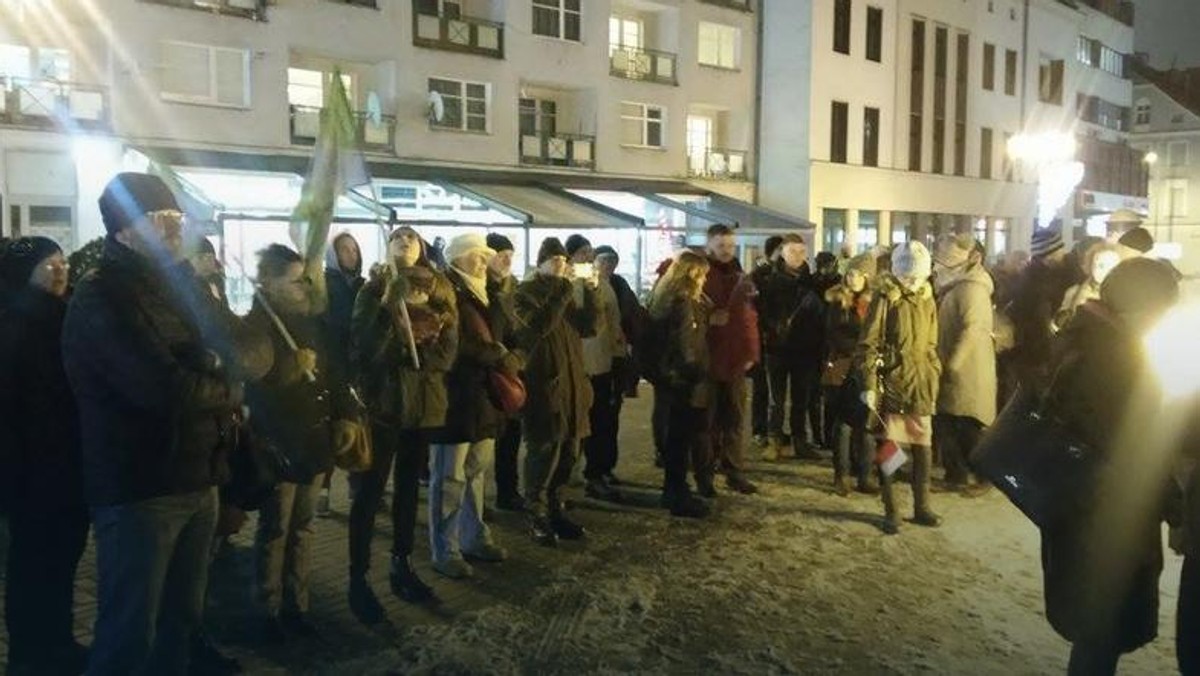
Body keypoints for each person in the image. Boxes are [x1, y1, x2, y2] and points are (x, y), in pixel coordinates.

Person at [62, 173, 254, 674]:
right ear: (126, 230)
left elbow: (242, 351)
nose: (175, 231)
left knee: (182, 622)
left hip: (197, 476)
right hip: (141, 488)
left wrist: (215, 365)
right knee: (129, 632)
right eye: (161, 221)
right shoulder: (101, 297)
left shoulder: (178, 286)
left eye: (177, 220)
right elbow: (166, 391)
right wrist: (225, 384)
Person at [1038, 258, 1179, 676]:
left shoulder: (1091, 339)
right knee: (1101, 633)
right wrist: (1174, 500)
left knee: (1096, 635)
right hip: (1106, 521)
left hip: (1084, 513)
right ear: (1141, 307)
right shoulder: (1113, 359)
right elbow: (1130, 448)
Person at [245, 244, 353, 643]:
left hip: (314, 440)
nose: (302, 287)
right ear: (269, 283)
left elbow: (336, 374)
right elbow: (254, 388)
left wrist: (345, 415)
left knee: (304, 528)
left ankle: (298, 604)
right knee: (275, 530)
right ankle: (267, 609)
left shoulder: (312, 322)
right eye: (293, 280)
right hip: (280, 444)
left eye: (304, 279)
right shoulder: (256, 325)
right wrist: (292, 370)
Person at [349, 226, 457, 622]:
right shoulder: (375, 287)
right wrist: (395, 323)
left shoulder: (440, 287)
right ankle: (358, 578)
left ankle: (402, 562)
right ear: (388, 247)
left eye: (412, 238)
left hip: (424, 404)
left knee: (410, 487)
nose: (406, 243)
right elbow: (363, 344)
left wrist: (424, 352)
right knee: (370, 490)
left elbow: (449, 349)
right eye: (398, 238)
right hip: (386, 404)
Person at [0, 237, 89, 675]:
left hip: (70, 463)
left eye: (61, 261)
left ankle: (58, 641)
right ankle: (30, 653)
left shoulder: (68, 314)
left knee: (63, 558)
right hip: (32, 469)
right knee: (33, 563)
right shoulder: (13, 323)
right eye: (46, 264)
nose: (58, 270)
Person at [426, 234, 514, 579]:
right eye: (476, 256)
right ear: (458, 258)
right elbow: (452, 345)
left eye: (484, 256)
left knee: (476, 472)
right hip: (455, 398)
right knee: (449, 477)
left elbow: (506, 333)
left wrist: (509, 353)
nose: (483, 261)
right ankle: (444, 547)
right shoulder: (446, 292)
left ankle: (474, 535)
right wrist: (498, 355)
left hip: (482, 398)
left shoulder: (487, 292)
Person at [513, 237, 597, 546]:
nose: (562, 267)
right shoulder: (524, 294)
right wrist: (563, 290)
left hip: (573, 386)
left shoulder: (566, 294)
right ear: (540, 263)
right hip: (543, 386)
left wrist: (591, 291)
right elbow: (539, 327)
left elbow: (590, 328)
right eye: (555, 261)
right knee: (542, 453)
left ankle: (556, 510)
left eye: (565, 261)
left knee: (569, 455)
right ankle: (535, 513)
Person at [860, 242, 942, 535]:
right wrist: (870, 384)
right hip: (893, 383)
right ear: (897, 272)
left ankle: (922, 506)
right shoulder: (885, 298)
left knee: (922, 449)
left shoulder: (927, 299)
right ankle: (891, 509)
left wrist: (933, 372)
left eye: (917, 275)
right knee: (891, 450)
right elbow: (868, 344)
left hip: (919, 383)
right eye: (907, 275)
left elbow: (931, 343)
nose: (912, 280)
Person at [648, 250, 714, 519]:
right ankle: (677, 494)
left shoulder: (665, 297)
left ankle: (674, 490)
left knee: (675, 437)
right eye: (703, 275)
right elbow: (687, 343)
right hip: (684, 380)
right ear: (693, 273)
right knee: (681, 438)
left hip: (671, 379)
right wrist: (695, 373)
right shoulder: (685, 302)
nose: (705, 280)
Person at [931, 234, 996, 495]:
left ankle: (984, 477)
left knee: (969, 426)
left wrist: (954, 364)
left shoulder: (972, 288)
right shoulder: (956, 285)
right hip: (950, 365)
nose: (938, 268)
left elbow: (973, 330)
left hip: (967, 371)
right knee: (948, 423)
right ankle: (955, 475)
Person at [702, 224, 760, 495]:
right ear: (709, 245)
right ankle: (707, 473)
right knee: (709, 420)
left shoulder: (741, 276)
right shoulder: (702, 275)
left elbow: (749, 319)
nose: (726, 251)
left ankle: (734, 470)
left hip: (735, 360)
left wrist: (751, 352)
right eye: (721, 245)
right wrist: (708, 320)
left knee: (735, 419)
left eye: (730, 246)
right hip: (708, 360)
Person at [759, 234, 825, 461]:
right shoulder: (769, 280)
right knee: (776, 400)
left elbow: (821, 315)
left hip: (804, 349)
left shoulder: (812, 281)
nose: (797, 256)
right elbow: (761, 310)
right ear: (783, 252)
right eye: (792, 251)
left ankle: (800, 441)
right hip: (777, 348)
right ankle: (774, 440)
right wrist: (773, 325)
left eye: (801, 252)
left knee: (801, 399)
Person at [571, 236, 627, 502]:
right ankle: (585, 474)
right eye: (582, 253)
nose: (587, 258)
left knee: (603, 421)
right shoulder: (568, 285)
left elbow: (614, 322)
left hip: (602, 362)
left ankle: (599, 470)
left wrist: (619, 355)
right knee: (584, 423)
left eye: (589, 253)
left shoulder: (601, 285)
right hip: (580, 364)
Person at [317, 231, 365, 518]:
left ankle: (356, 482)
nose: (351, 255)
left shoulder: (362, 286)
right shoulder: (324, 285)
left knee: (357, 425)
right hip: (332, 366)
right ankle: (322, 490)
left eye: (354, 249)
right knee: (330, 427)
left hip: (357, 366)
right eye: (345, 250)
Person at [822, 253, 877, 496]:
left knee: (866, 424)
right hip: (842, 368)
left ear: (867, 276)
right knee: (843, 424)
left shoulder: (874, 302)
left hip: (867, 369)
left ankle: (865, 474)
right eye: (850, 273)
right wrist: (859, 349)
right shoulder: (837, 301)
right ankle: (841, 475)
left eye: (858, 273)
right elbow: (833, 334)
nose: (853, 278)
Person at [1002, 228, 1076, 398]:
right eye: (1058, 251)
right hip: (1038, 352)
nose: (1061, 254)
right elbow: (1032, 319)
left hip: (1047, 350)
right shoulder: (1035, 283)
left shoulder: (1036, 279)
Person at [486, 233, 526, 511]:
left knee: (510, 437)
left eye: (511, 255)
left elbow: (524, 333)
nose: (507, 260)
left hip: (511, 374)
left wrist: (518, 358)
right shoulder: (479, 289)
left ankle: (507, 490)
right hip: (486, 373)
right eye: (502, 255)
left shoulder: (516, 290)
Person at [749, 235, 784, 447]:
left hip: (782, 340)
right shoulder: (760, 275)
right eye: (781, 249)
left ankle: (776, 429)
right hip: (764, 337)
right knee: (762, 386)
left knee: (778, 390)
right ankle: (760, 428)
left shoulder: (789, 273)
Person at [1056, 242, 1120, 331]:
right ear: (1091, 266)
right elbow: (1058, 327)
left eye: (1112, 268)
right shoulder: (1074, 293)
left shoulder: (1123, 296)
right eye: (1100, 265)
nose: (1106, 271)